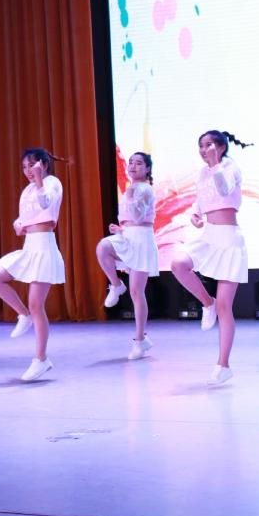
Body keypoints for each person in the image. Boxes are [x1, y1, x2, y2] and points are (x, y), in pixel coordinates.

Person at [170, 130, 251, 385]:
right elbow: (201, 201)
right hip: (208, 235)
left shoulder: (230, 167)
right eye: (201, 146)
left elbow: (224, 190)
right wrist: (196, 215)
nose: (204, 150)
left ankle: (223, 365)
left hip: (229, 238)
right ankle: (207, 303)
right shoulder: (202, 173)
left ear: (221, 147)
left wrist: (216, 164)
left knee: (226, 306)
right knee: (178, 264)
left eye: (209, 145)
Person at [0, 148, 67, 381]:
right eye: (24, 167)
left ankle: (41, 359)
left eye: (31, 165)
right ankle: (23, 315)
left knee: (36, 304)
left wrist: (40, 179)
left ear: (43, 164)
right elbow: (26, 215)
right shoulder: (28, 189)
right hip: (29, 247)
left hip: (44, 247)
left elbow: (45, 204)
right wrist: (18, 223)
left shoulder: (52, 183)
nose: (27, 171)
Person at [96, 152, 160, 360]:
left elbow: (139, 217)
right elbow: (132, 219)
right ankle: (116, 285)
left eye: (139, 163)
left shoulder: (145, 189)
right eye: (131, 162)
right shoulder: (130, 188)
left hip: (142, 241)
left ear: (147, 169)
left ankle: (140, 340)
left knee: (136, 292)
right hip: (128, 236)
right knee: (103, 247)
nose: (133, 166)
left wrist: (131, 195)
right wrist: (121, 229)